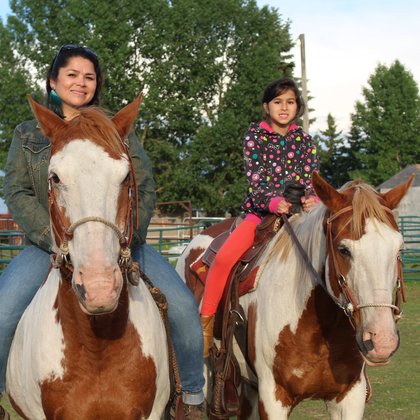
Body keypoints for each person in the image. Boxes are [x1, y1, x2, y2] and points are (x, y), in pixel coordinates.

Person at [0, 44, 204, 420]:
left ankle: (192, 398)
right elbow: (16, 190)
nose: (81, 83)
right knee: (2, 311)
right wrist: (52, 238)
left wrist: (127, 238)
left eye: (89, 76)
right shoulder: (28, 133)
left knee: (183, 308)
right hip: (48, 242)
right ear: (53, 80)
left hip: (119, 241)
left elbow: (142, 184)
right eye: (72, 75)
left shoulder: (118, 130)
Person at [200, 77, 319, 357]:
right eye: (278, 102)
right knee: (224, 259)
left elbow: (309, 177)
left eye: (290, 102)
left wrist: (310, 197)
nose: (284, 107)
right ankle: (204, 324)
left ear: (298, 107)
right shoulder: (255, 137)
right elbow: (256, 181)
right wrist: (274, 201)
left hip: (299, 214)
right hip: (261, 213)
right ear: (266, 107)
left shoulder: (305, 140)